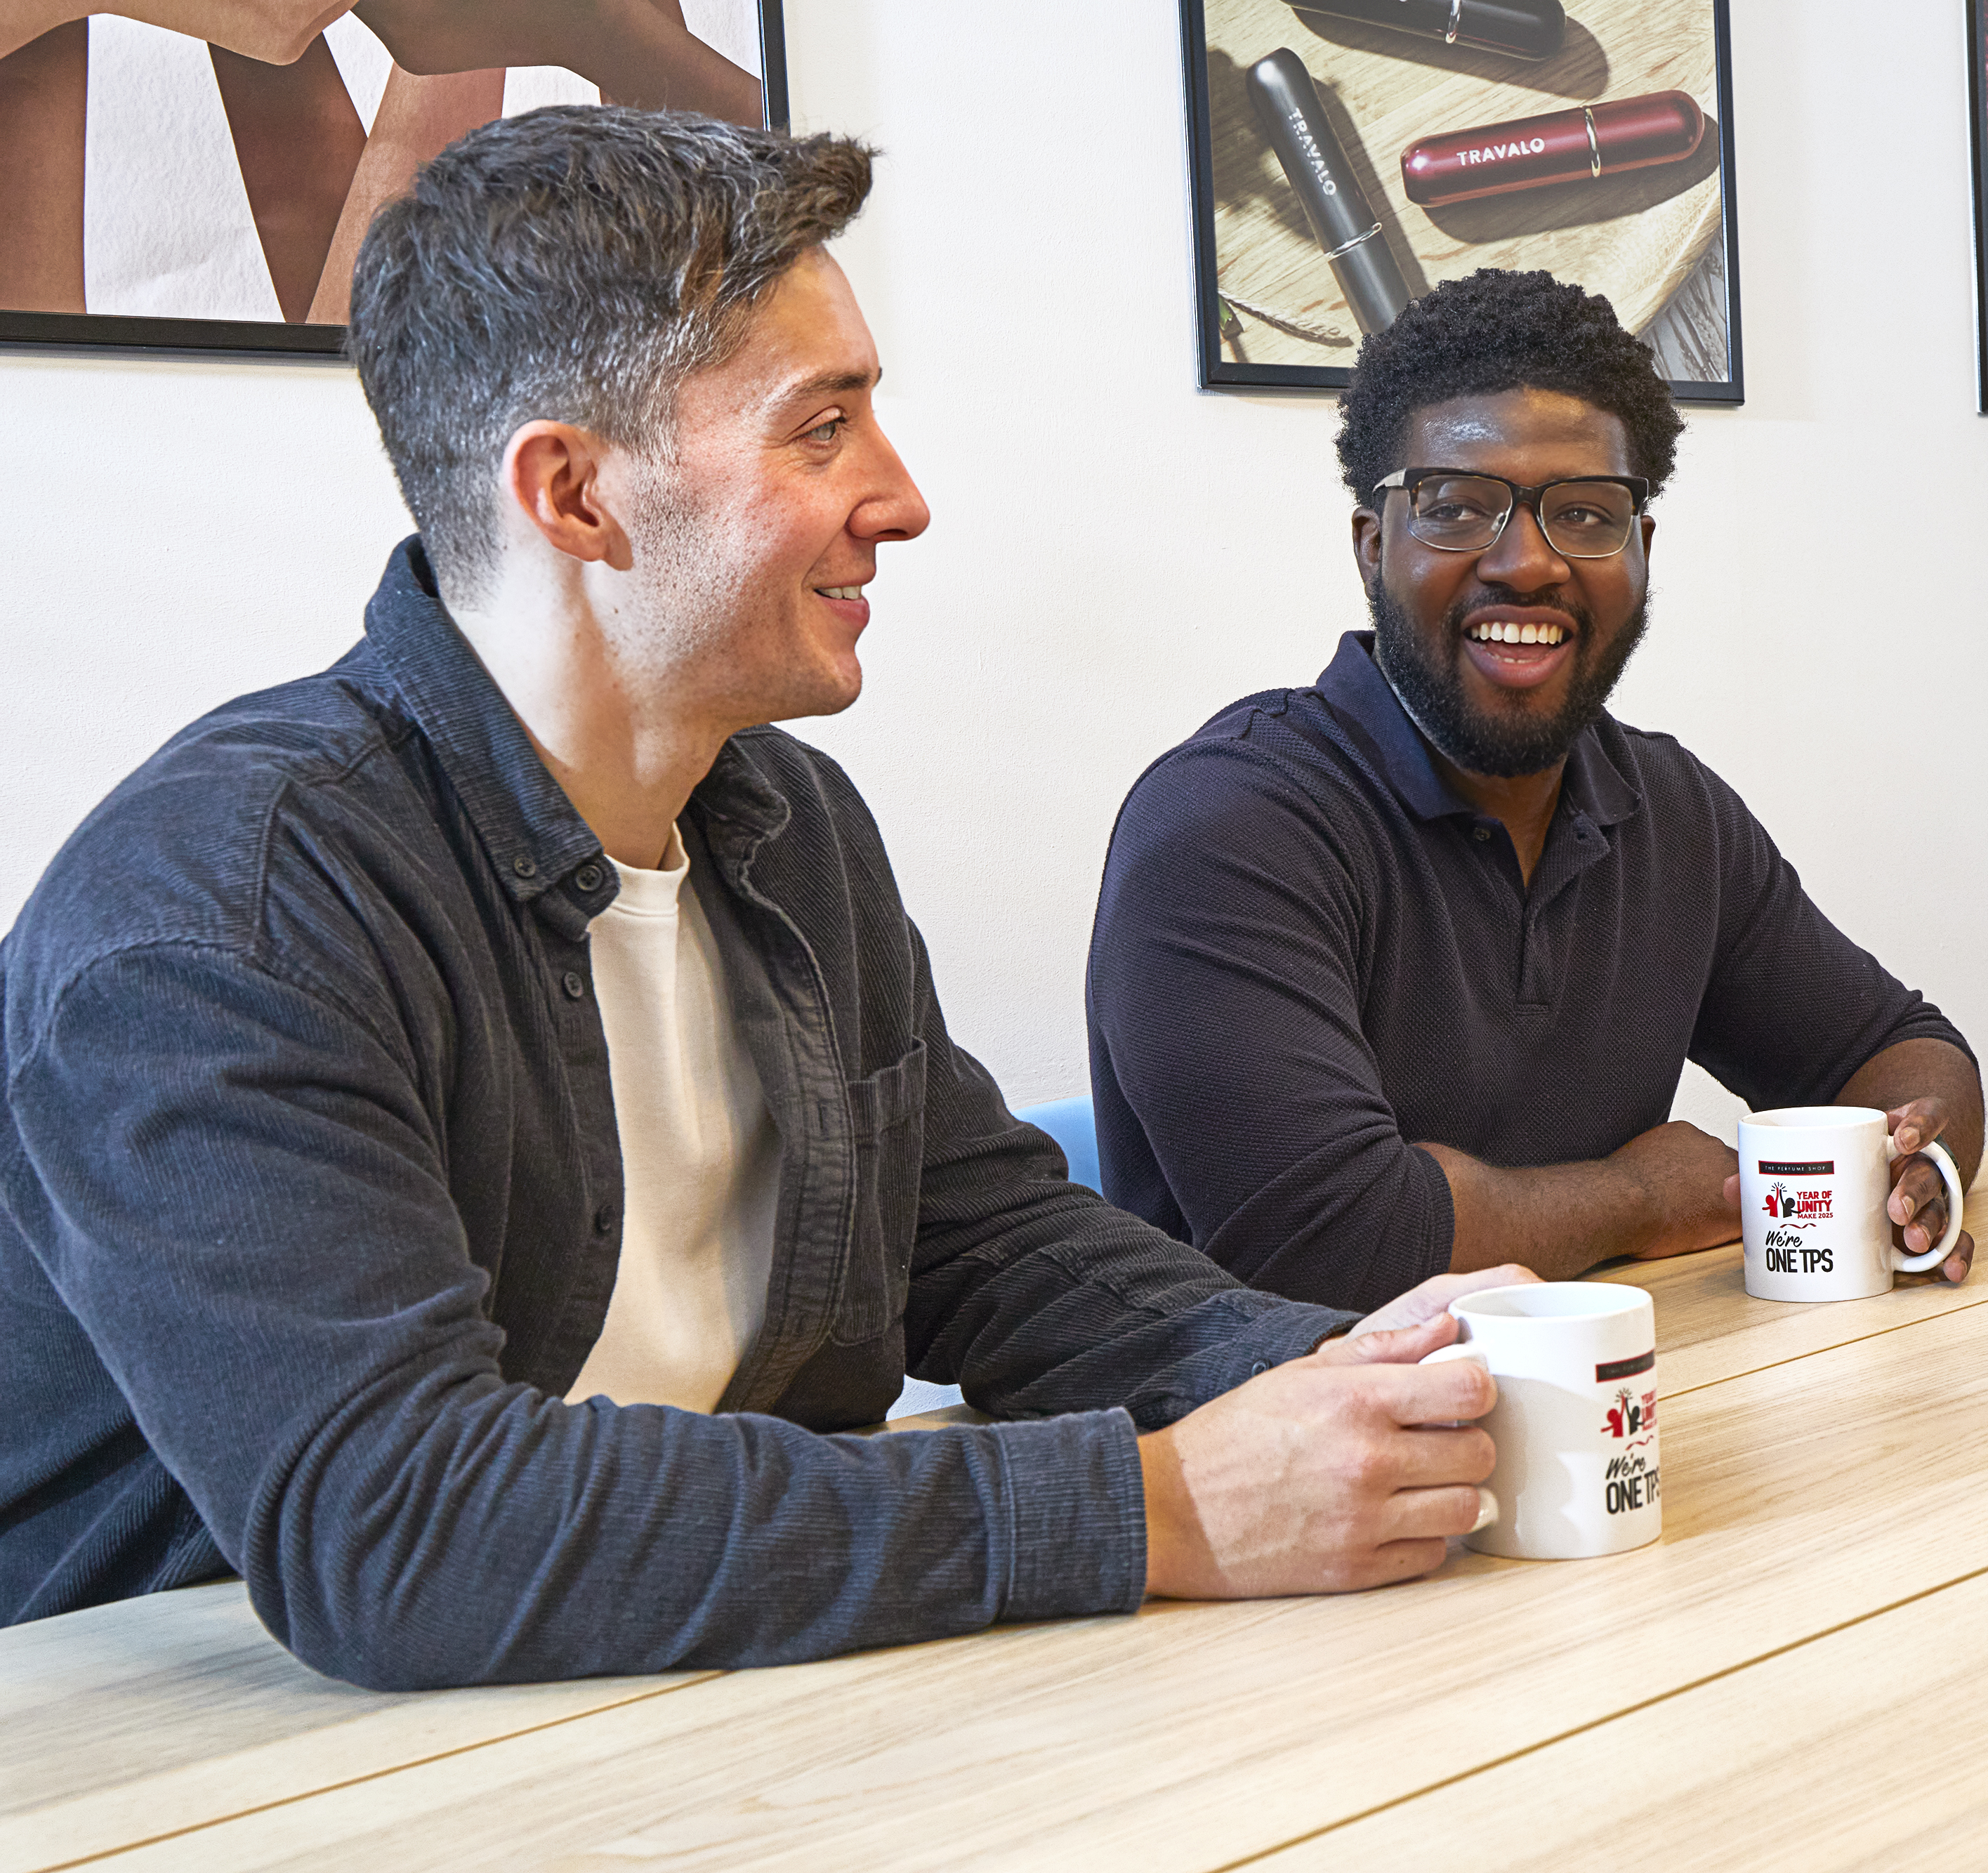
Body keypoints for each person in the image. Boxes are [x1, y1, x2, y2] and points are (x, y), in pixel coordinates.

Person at [0, 108, 1522, 1689]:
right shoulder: (218, 913)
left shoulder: (784, 824)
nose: (902, 496)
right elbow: (403, 1534)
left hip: (695, 1709)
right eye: (821, 428)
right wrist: (1162, 1507)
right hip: (166, 1766)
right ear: (577, 499)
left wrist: (1353, 1366)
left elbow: (979, 1243)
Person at [1084, 269, 1982, 1314]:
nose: (1528, 564)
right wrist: (1640, 1195)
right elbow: (1334, 1244)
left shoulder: (1672, 813)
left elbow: (1901, 1052)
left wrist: (1916, 1168)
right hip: (1297, 1448)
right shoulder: (1228, 829)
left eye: (1588, 515)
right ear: (1374, 547)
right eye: (1458, 507)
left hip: (1610, 1413)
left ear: (1644, 552)